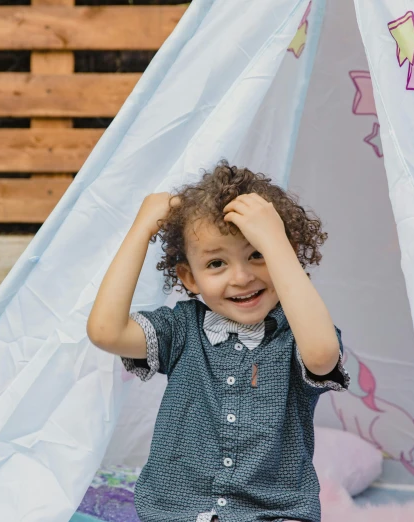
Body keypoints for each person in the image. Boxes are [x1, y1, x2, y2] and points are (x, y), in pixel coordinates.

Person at [87, 160, 349, 522]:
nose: (241, 277)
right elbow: (105, 331)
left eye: (257, 255)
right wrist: (141, 230)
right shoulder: (180, 329)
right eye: (216, 264)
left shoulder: (300, 335)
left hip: (273, 513)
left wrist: (274, 239)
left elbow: (322, 357)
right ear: (189, 278)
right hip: (176, 512)